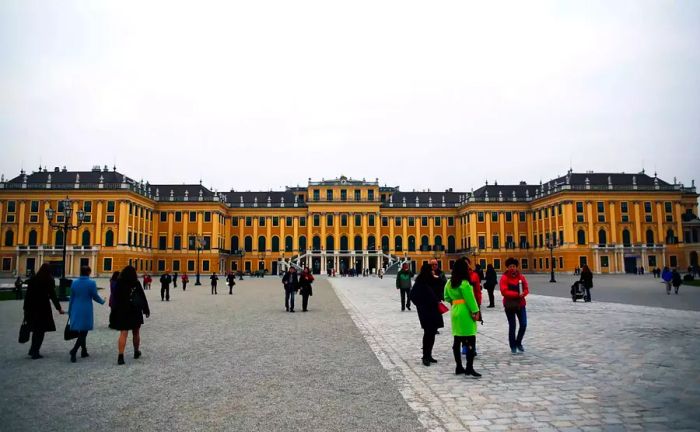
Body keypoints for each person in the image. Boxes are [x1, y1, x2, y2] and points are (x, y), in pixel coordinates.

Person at [443, 258, 481, 378]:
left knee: (457, 339)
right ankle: (469, 367)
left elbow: (446, 297)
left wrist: (454, 302)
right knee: (470, 339)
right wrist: (476, 311)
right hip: (465, 311)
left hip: (455, 310)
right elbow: (470, 299)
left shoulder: (449, 282)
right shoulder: (464, 283)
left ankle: (459, 366)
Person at [109, 265, 150, 365]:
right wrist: (146, 309)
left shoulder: (119, 283)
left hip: (123, 310)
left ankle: (120, 356)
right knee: (136, 332)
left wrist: (115, 310)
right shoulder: (136, 283)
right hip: (135, 310)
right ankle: (136, 352)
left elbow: (115, 297)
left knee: (123, 333)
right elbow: (142, 296)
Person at [22, 263, 64, 359]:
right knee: (40, 331)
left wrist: (25, 308)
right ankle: (35, 351)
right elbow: (53, 296)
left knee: (36, 330)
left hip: (32, 308)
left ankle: (33, 349)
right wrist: (59, 308)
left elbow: (27, 296)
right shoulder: (48, 280)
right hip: (43, 308)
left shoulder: (33, 280)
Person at [68, 266, 106, 363]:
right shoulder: (91, 283)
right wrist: (102, 301)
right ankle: (74, 350)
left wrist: (70, 310)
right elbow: (94, 296)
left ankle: (84, 350)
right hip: (85, 308)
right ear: (88, 272)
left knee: (81, 330)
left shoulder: (74, 282)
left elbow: (72, 297)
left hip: (76, 308)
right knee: (84, 332)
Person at [409, 263, 444, 366]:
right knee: (428, 333)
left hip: (434, 310)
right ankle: (425, 356)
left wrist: (436, 277)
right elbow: (412, 296)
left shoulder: (432, 281)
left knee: (432, 333)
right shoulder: (420, 283)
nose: (433, 271)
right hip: (425, 311)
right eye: (431, 270)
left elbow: (442, 284)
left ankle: (429, 355)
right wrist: (421, 305)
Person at [500, 257, 529, 354]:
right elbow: (504, 291)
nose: (512, 268)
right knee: (512, 326)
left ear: (516, 267)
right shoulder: (504, 278)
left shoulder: (521, 277)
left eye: (514, 266)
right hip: (509, 305)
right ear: (507, 268)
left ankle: (518, 342)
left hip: (521, 304)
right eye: (510, 266)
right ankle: (513, 345)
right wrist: (517, 294)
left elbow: (526, 289)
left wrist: (523, 294)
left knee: (524, 324)